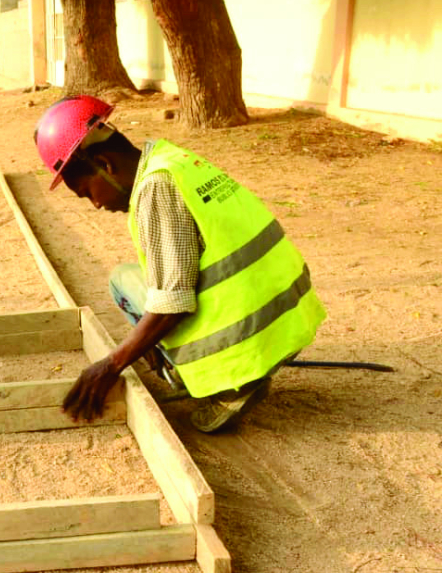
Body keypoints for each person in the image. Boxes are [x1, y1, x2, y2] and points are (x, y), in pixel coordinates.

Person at [34, 95, 326, 433]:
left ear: (106, 164)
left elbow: (173, 303)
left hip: (249, 337)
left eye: (87, 192)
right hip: (287, 318)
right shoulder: (171, 159)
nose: (96, 204)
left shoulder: (156, 187)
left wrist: (111, 365)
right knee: (125, 278)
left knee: (138, 293)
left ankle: (232, 386)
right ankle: (243, 364)